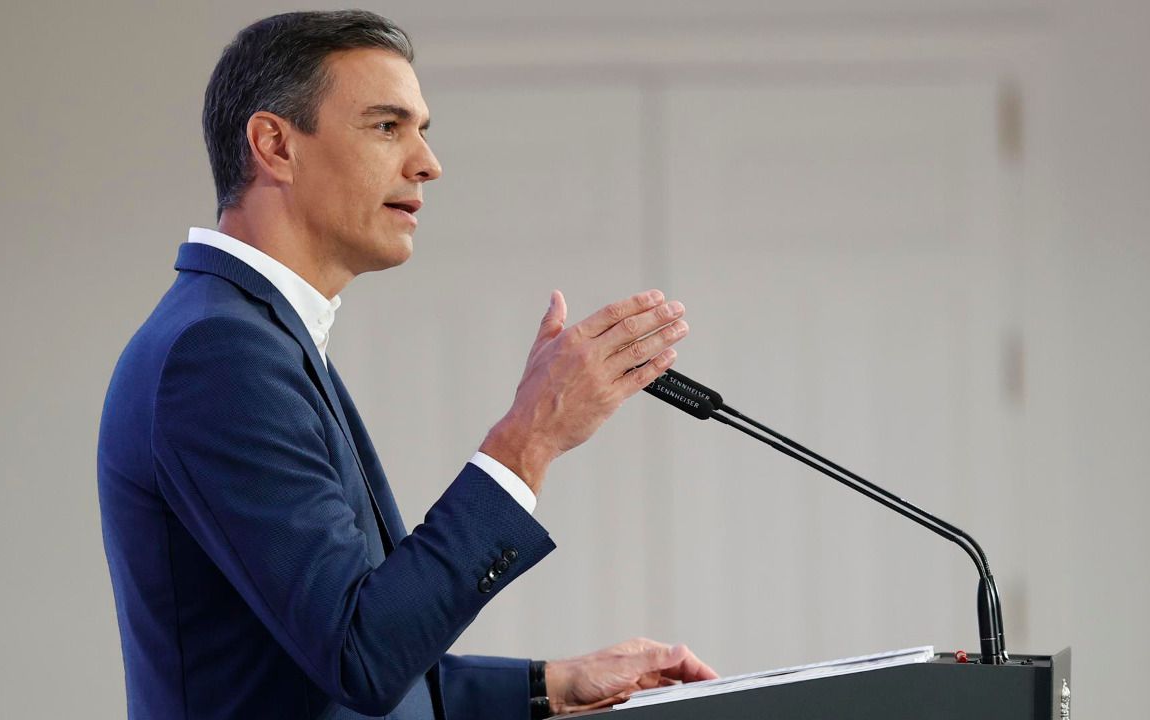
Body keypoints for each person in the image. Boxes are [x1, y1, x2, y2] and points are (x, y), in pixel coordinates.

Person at [97, 10, 715, 720]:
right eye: (387, 126)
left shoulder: (249, 335)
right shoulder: (220, 355)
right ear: (275, 145)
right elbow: (361, 654)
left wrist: (551, 684)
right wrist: (530, 438)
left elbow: (344, 655)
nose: (427, 163)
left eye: (421, 129)